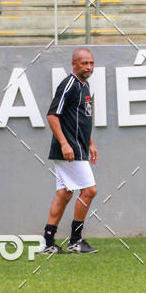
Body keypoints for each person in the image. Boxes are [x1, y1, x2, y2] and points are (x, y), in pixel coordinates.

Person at [42, 47, 98, 254]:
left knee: (64, 194)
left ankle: (48, 243)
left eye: (91, 63)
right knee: (89, 191)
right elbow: (52, 115)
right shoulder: (69, 84)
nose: (89, 67)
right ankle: (75, 241)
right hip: (69, 150)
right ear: (74, 64)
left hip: (79, 148)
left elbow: (82, 119)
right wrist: (65, 144)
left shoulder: (85, 86)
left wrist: (90, 143)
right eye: (84, 63)